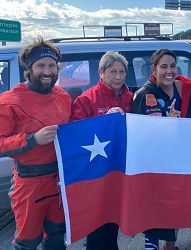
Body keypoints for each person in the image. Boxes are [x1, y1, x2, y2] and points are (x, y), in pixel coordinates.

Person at [0, 36, 71, 250]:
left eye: (51, 66)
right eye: (41, 66)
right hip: (29, 184)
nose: (47, 71)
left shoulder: (63, 96)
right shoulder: (10, 101)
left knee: (58, 237)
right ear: (29, 69)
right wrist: (32, 139)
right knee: (27, 242)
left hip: (59, 181)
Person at [133, 48, 191, 250]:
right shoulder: (146, 94)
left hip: (178, 160)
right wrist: (167, 123)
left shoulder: (183, 89)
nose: (169, 71)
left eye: (172, 66)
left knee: (175, 204)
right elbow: (141, 133)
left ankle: (170, 247)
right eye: (163, 67)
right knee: (156, 207)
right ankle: (151, 247)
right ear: (154, 69)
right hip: (155, 164)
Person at [70, 51, 133, 250]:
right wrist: (105, 119)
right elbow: (76, 132)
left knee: (114, 217)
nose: (118, 76)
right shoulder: (86, 99)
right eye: (112, 71)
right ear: (101, 72)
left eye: (122, 72)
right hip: (95, 172)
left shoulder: (130, 98)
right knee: (96, 219)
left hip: (119, 169)